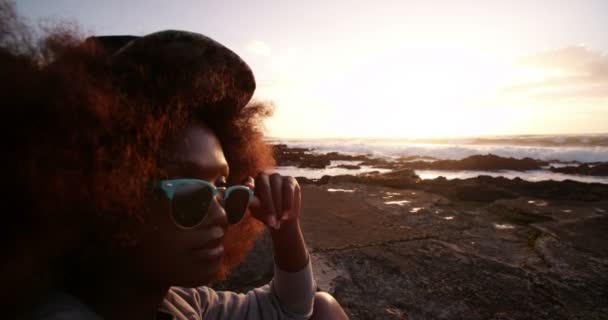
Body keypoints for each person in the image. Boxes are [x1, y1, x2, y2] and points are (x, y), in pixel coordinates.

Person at [0, 2, 348, 319]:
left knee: (323, 307)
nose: (221, 213)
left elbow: (289, 308)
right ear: (95, 198)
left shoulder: (177, 302)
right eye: (188, 191)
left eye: (225, 189)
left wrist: (285, 226)